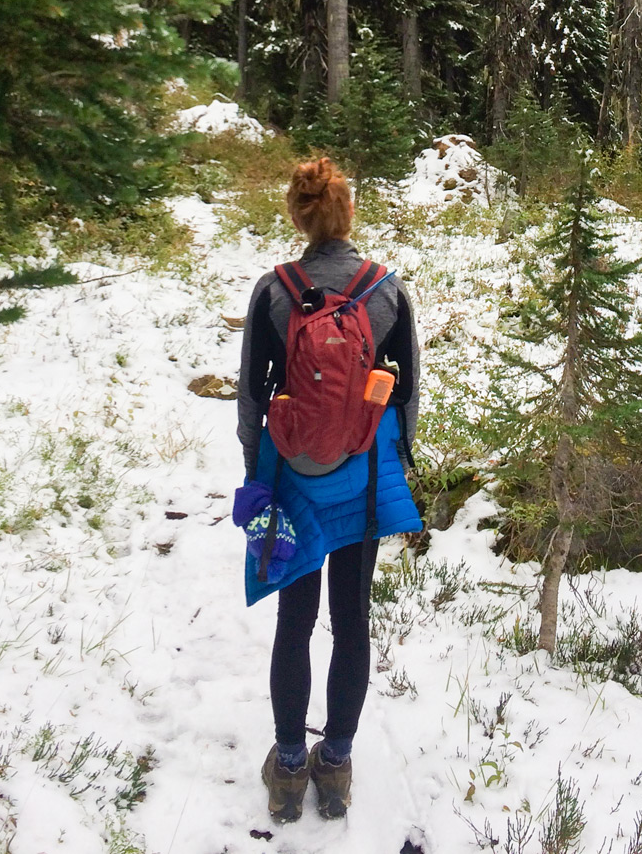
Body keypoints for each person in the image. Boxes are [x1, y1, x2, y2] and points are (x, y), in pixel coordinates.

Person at [236, 157, 421, 822]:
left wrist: (260, 476)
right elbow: (410, 398)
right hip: (363, 480)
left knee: (295, 622)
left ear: (298, 215)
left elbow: (251, 397)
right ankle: (336, 765)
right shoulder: (386, 291)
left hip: (293, 481)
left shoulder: (273, 290)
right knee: (350, 624)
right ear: (348, 215)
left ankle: (289, 767)